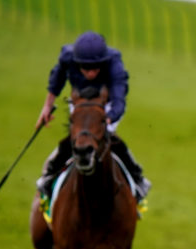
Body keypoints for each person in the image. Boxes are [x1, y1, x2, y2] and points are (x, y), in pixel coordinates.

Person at [35, 31, 150, 202]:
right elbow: (56, 82)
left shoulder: (114, 63)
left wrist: (107, 119)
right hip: (80, 102)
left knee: (107, 136)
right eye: (85, 68)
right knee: (77, 137)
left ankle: (137, 178)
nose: (90, 73)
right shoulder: (68, 56)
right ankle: (49, 174)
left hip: (106, 105)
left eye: (95, 68)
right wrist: (46, 107)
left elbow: (119, 101)